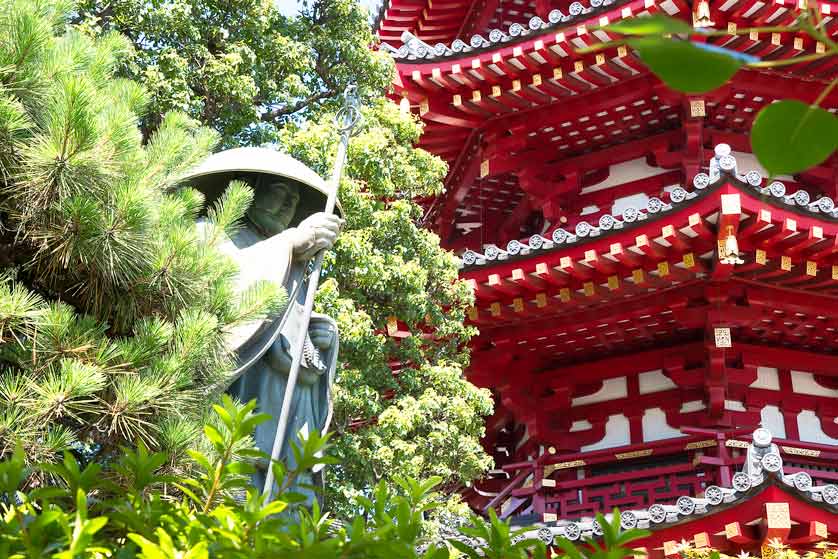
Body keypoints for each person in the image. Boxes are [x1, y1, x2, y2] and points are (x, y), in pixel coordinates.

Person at [181, 147, 342, 499]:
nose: (287, 207)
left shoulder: (291, 262)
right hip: (237, 396)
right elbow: (216, 292)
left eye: (294, 201)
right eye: (280, 193)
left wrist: (317, 334)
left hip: (281, 408)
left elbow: (286, 323)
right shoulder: (209, 233)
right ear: (249, 190)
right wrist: (289, 245)